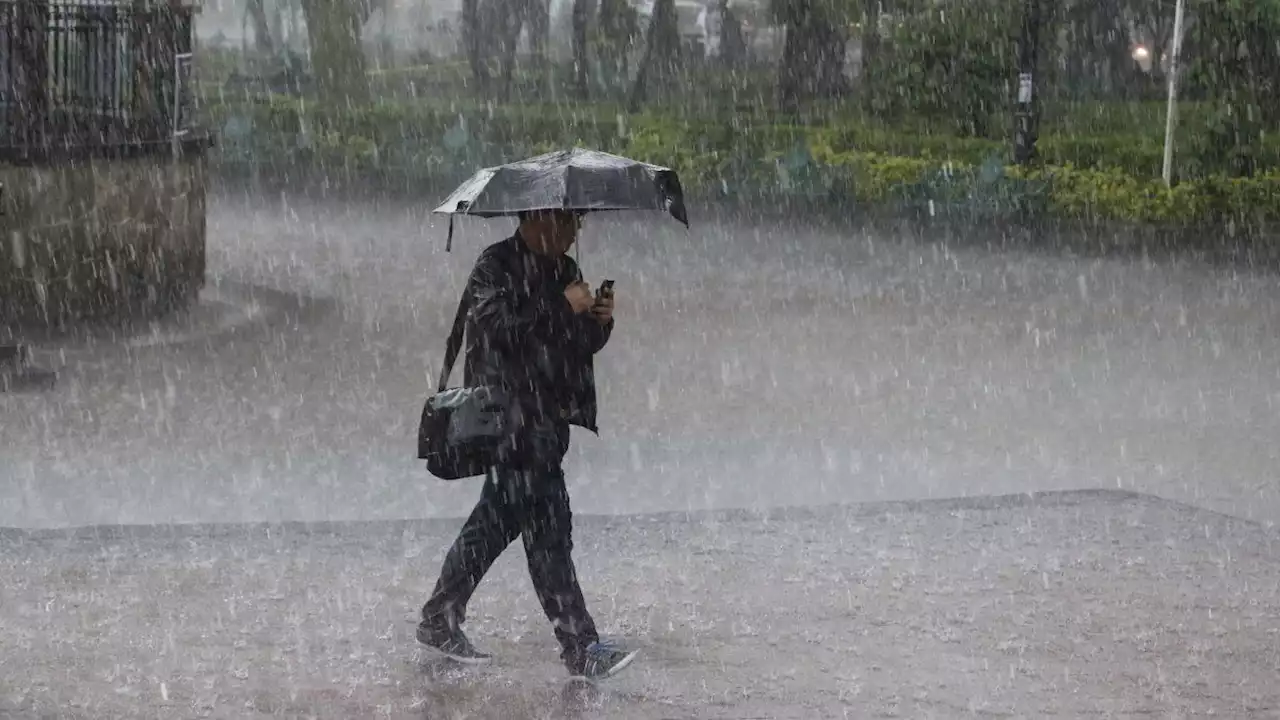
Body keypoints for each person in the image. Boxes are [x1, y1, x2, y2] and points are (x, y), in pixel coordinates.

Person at [417, 208, 638, 680]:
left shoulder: (566, 269)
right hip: (510, 423)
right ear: (539, 218)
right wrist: (562, 306)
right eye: (569, 220)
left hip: (547, 421)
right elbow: (499, 333)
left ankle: (440, 617)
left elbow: (574, 343)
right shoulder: (493, 266)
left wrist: (598, 322)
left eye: (578, 221)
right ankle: (580, 646)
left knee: (496, 526)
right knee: (548, 534)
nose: (576, 230)